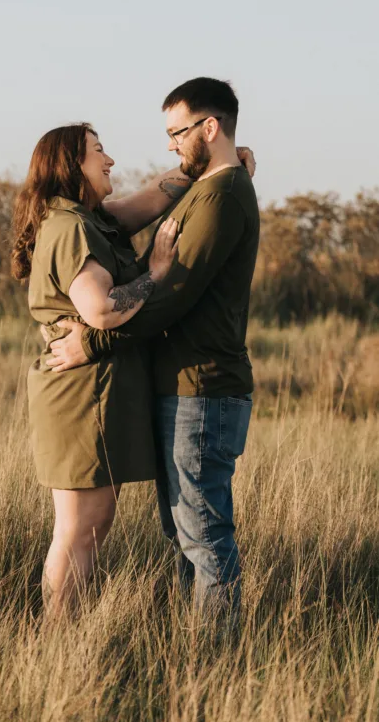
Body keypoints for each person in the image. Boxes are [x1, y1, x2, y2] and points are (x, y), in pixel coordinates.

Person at [44, 79, 260, 636]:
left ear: (208, 128)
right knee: (184, 531)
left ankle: (216, 656)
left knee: (201, 533)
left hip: (203, 389)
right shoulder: (202, 189)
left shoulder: (220, 196)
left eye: (176, 132)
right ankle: (198, 648)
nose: (168, 145)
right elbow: (149, 207)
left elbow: (169, 299)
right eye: (99, 154)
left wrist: (88, 343)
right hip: (181, 389)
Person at [11, 123, 190, 620]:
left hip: (91, 389)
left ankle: (64, 635)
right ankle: (59, 641)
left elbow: (153, 197)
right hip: (79, 393)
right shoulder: (70, 227)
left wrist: (208, 164)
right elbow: (104, 310)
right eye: (98, 152)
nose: (109, 160)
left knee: (89, 522)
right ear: (71, 166)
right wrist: (156, 271)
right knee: (81, 526)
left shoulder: (92, 217)